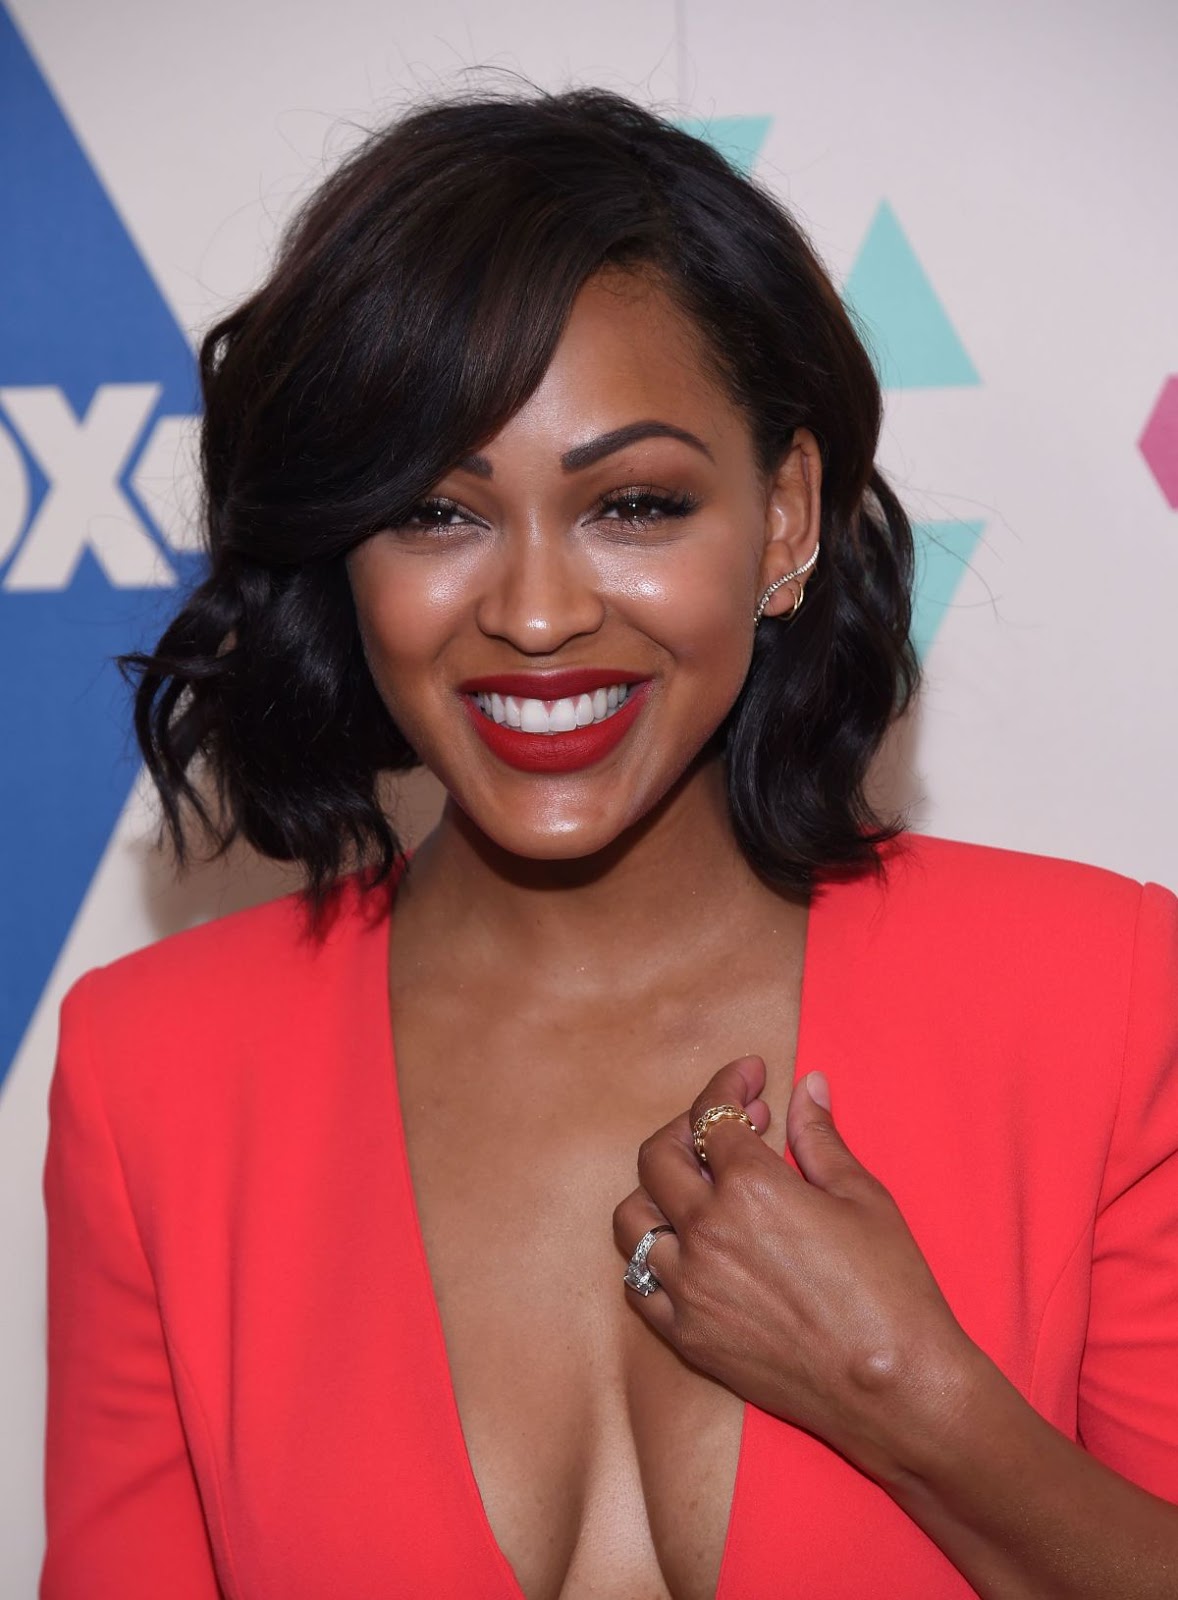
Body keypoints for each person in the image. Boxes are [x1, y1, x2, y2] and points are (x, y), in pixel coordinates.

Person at [40, 84, 1178, 1600]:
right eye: (436, 513)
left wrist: (907, 1393)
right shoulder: (155, 1072)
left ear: (784, 518)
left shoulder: (1100, 996)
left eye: (633, 505)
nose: (534, 614)